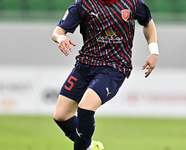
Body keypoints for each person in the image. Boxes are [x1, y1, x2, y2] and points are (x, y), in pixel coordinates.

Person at [51, 0, 159, 149]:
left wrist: (154, 51)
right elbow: (57, 31)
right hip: (85, 65)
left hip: (114, 67)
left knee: (85, 108)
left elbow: (147, 22)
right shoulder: (83, 4)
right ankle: (91, 147)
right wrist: (61, 38)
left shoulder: (133, 3)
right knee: (61, 116)